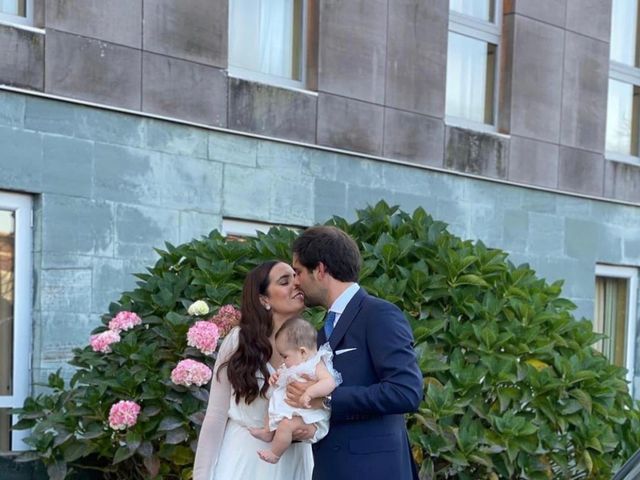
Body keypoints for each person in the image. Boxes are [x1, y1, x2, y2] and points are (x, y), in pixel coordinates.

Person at [289, 226, 423, 480]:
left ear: (320, 270)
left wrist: (329, 400)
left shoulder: (379, 314)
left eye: (297, 272)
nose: (295, 282)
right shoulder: (320, 332)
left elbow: (406, 391)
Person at [193, 261, 313, 480]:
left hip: (294, 459)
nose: (296, 284)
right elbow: (216, 416)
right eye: (285, 281)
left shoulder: (312, 344)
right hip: (245, 459)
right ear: (264, 299)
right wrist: (201, 475)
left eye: (296, 277)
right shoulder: (239, 341)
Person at [249, 316, 341, 463]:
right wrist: (275, 377)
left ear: (303, 352)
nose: (283, 360)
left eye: (285, 356)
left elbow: (329, 383)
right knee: (271, 401)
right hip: (294, 410)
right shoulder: (293, 363)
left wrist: (310, 393)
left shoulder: (316, 364)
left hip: (311, 418)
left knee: (286, 426)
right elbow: (281, 375)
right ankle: (267, 431)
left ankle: (275, 454)